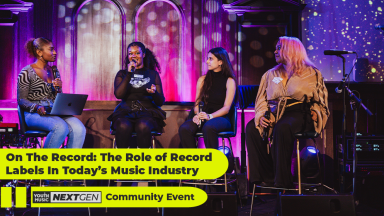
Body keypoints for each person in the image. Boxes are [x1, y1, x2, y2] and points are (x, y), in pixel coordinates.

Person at [245, 36, 329, 188]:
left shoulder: (312, 74)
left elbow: (321, 101)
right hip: (275, 111)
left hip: (301, 112)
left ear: (291, 50)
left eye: (279, 48)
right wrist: (261, 115)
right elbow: (261, 100)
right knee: (252, 128)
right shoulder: (270, 74)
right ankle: (266, 176)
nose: (275, 51)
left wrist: (317, 112)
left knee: (283, 127)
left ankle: (283, 181)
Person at [17, 37, 86, 148]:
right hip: (34, 114)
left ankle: (70, 164)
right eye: (51, 49)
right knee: (60, 127)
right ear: (39, 52)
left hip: (53, 111)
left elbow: (57, 96)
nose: (55, 52)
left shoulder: (54, 71)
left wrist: (58, 89)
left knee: (79, 128)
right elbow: (21, 100)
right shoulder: (26, 72)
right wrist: (36, 107)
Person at [107, 42, 165, 148]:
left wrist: (154, 93)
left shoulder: (153, 74)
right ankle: (123, 161)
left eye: (137, 53)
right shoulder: (122, 74)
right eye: (130, 53)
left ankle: (142, 160)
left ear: (143, 54)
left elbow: (160, 101)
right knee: (123, 125)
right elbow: (119, 95)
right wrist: (129, 73)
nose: (133, 56)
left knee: (142, 125)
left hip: (147, 112)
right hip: (125, 111)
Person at [179, 47, 237, 149]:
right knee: (184, 128)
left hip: (221, 118)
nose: (207, 62)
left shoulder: (229, 81)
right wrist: (198, 114)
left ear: (220, 62)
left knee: (209, 127)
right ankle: (194, 162)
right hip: (203, 116)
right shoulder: (202, 80)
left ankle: (212, 162)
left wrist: (209, 116)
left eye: (211, 59)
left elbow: (226, 108)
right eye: (207, 58)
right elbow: (197, 103)